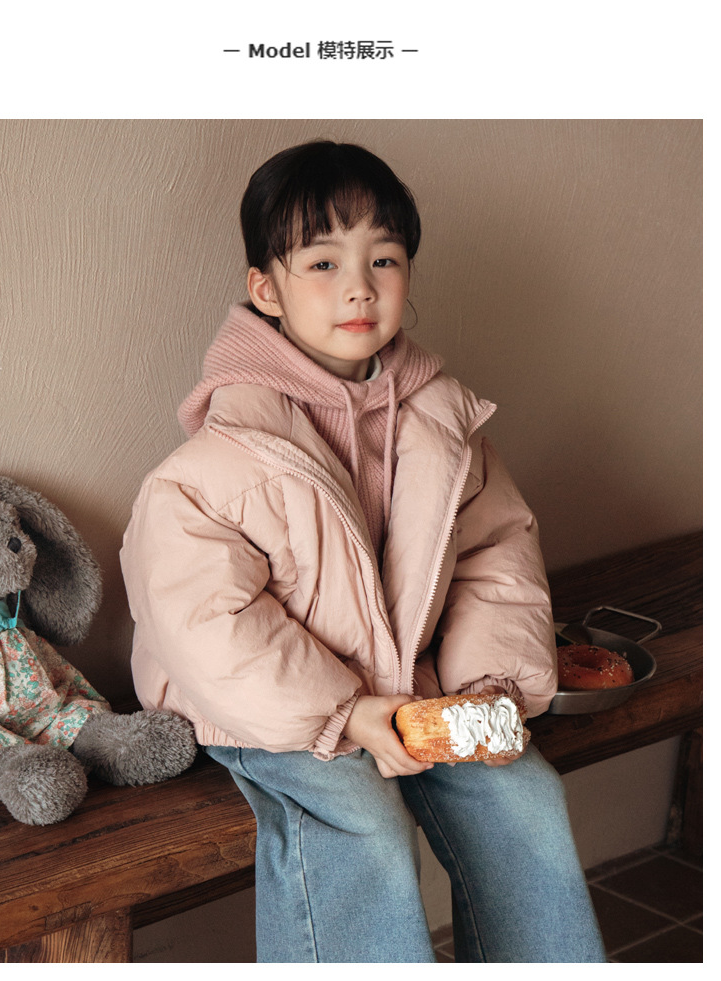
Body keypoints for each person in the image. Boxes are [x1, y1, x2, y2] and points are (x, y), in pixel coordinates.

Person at [120, 140, 606, 963]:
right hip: (274, 708)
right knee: (360, 823)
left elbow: (496, 556)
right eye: (322, 262)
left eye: (384, 258)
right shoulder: (215, 465)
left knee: (523, 798)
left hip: (414, 685)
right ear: (265, 290)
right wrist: (343, 713)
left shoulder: (442, 424)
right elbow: (206, 621)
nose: (359, 286)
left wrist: (487, 688)